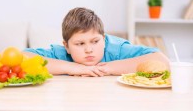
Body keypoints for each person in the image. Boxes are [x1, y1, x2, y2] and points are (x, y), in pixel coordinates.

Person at [23, 7, 169, 77]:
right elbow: (22, 58)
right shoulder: (61, 53)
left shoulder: (116, 49)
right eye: (80, 44)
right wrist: (72, 67)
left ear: (104, 40)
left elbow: (163, 61)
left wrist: (108, 68)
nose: (89, 49)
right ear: (66, 46)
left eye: (95, 41)